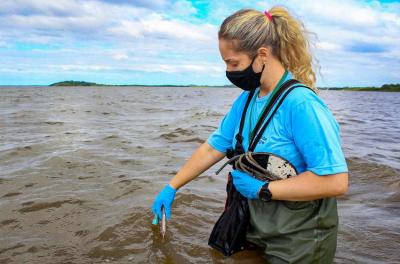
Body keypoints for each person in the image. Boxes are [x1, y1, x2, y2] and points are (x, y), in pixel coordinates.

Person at [152, 6, 349, 264]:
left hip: (300, 238)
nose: (230, 71)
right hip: (255, 225)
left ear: (262, 55)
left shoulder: (302, 105)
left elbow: (335, 182)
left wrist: (263, 189)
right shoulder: (246, 100)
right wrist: (172, 186)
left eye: (234, 63)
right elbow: (214, 147)